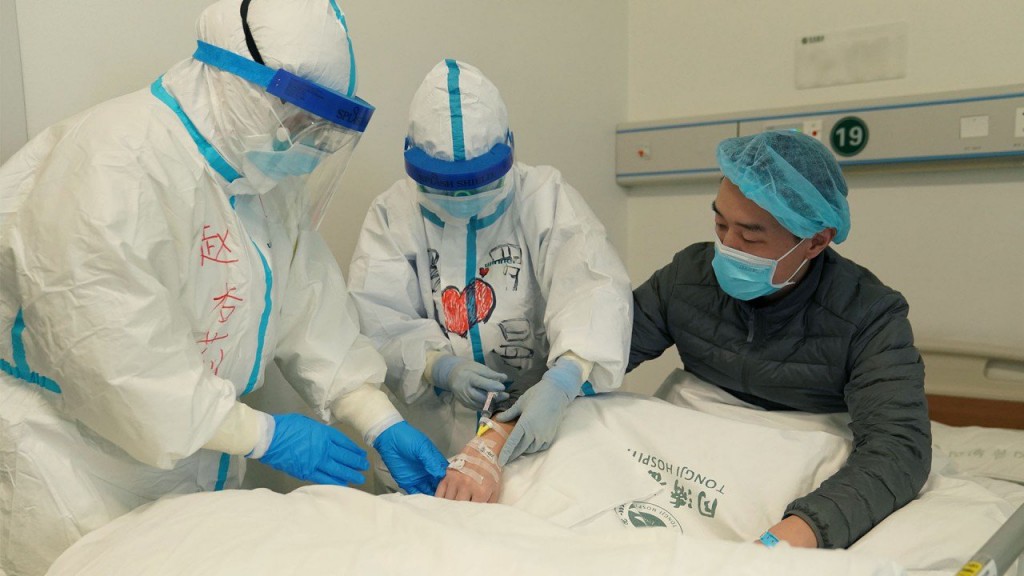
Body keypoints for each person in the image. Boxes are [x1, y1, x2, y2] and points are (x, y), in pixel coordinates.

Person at [0, 2, 448, 573]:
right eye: (297, 119)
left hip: (196, 468)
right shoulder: (112, 162)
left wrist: (377, 417)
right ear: (238, 82)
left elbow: (309, 308)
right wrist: (262, 435)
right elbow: (117, 362)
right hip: (76, 473)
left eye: (316, 128)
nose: (304, 141)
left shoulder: (259, 175)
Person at [629, 130, 931, 549]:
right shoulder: (687, 277)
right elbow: (603, 346)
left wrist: (782, 543)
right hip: (686, 452)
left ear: (816, 241)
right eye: (720, 224)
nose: (727, 247)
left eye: (750, 236)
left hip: (793, 471)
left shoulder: (868, 315)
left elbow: (898, 450)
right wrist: (562, 377)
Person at [348, 59, 632, 494]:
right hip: (432, 438)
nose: (463, 197)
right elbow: (377, 317)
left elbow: (594, 292)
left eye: (478, 182)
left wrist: (564, 379)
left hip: (535, 429)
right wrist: (438, 367)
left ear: (508, 152)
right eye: (445, 185)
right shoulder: (394, 214)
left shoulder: (545, 199)